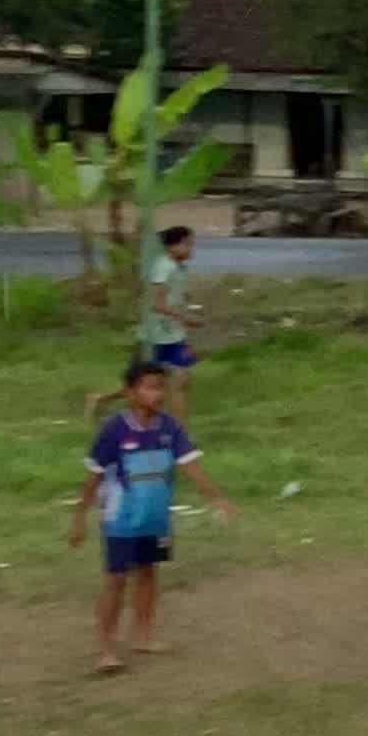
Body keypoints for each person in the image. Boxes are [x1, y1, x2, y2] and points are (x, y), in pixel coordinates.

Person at [69, 352, 236, 674]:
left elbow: (191, 467)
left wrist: (217, 499)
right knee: (116, 581)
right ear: (130, 393)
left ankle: (142, 636)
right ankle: (106, 648)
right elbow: (93, 478)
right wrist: (79, 520)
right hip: (121, 519)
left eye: (161, 387)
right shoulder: (114, 430)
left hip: (154, 518)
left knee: (148, 575)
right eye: (149, 387)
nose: (157, 394)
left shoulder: (170, 429)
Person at [85, 221, 202, 431]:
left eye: (191, 245)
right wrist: (185, 317)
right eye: (187, 245)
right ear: (172, 246)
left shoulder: (181, 269)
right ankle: (100, 399)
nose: (190, 250)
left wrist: (185, 328)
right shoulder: (162, 268)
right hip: (153, 337)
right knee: (138, 386)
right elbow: (157, 305)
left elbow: (177, 300)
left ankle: (179, 431)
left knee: (182, 382)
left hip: (174, 336)